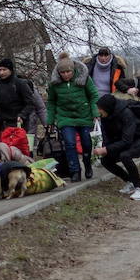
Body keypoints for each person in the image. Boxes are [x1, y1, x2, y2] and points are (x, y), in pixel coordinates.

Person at [45, 53, 99, 183]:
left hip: (84, 115)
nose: (65, 75)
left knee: (86, 143)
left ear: (73, 70)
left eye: (68, 71)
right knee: (70, 144)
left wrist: (95, 113)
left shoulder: (84, 78)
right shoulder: (54, 84)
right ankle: (75, 171)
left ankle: (87, 163)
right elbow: (51, 102)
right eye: (62, 72)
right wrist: (50, 120)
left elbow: (93, 95)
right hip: (65, 117)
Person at [94, 94, 140, 201]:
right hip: (124, 142)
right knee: (105, 160)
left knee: (125, 155)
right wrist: (105, 149)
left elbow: (127, 140)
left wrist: (106, 149)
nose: (99, 111)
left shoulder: (126, 114)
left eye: (100, 109)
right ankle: (129, 182)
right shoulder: (106, 116)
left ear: (107, 108)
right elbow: (106, 136)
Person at [0, 57, 47, 143]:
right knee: (6, 150)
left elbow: (30, 103)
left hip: (20, 123)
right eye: (0, 70)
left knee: (20, 150)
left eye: (4, 70)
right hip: (4, 123)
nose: (1, 73)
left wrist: (22, 115)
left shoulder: (20, 84)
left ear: (10, 70)